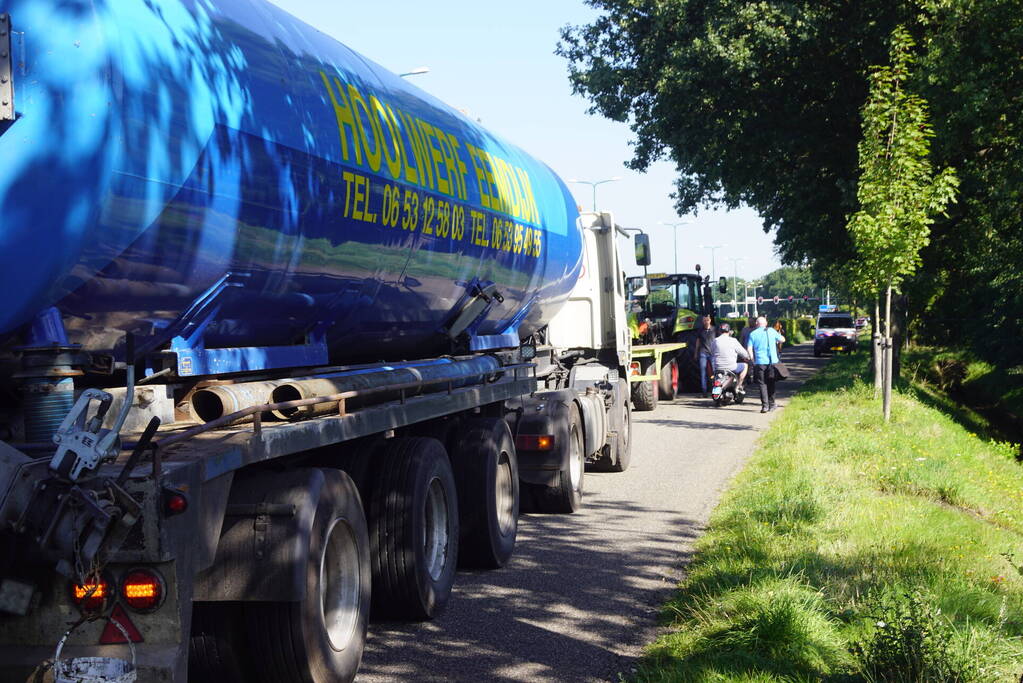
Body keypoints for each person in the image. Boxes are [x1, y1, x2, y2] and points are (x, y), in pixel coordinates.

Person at [747, 316, 785, 413]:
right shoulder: (771, 331)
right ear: (766, 323)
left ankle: (765, 406)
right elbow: (782, 340)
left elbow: (749, 349)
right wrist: (780, 335)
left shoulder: (752, 334)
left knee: (762, 384)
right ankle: (772, 405)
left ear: (756, 324)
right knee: (771, 382)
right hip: (771, 362)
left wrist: (753, 360)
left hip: (759, 362)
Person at [712, 323, 750, 390]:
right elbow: (743, 353)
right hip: (731, 367)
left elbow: (712, 352)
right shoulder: (733, 341)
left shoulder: (715, 341)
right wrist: (747, 357)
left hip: (717, 367)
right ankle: (738, 386)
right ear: (729, 331)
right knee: (745, 366)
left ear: (719, 331)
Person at [693, 315, 716, 397]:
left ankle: (715, 390)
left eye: (707, 320)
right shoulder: (700, 330)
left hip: (712, 353)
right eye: (704, 321)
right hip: (703, 353)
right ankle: (704, 391)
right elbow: (698, 342)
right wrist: (696, 352)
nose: (705, 322)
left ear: (710, 321)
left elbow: (717, 341)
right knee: (703, 373)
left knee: (714, 372)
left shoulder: (714, 330)